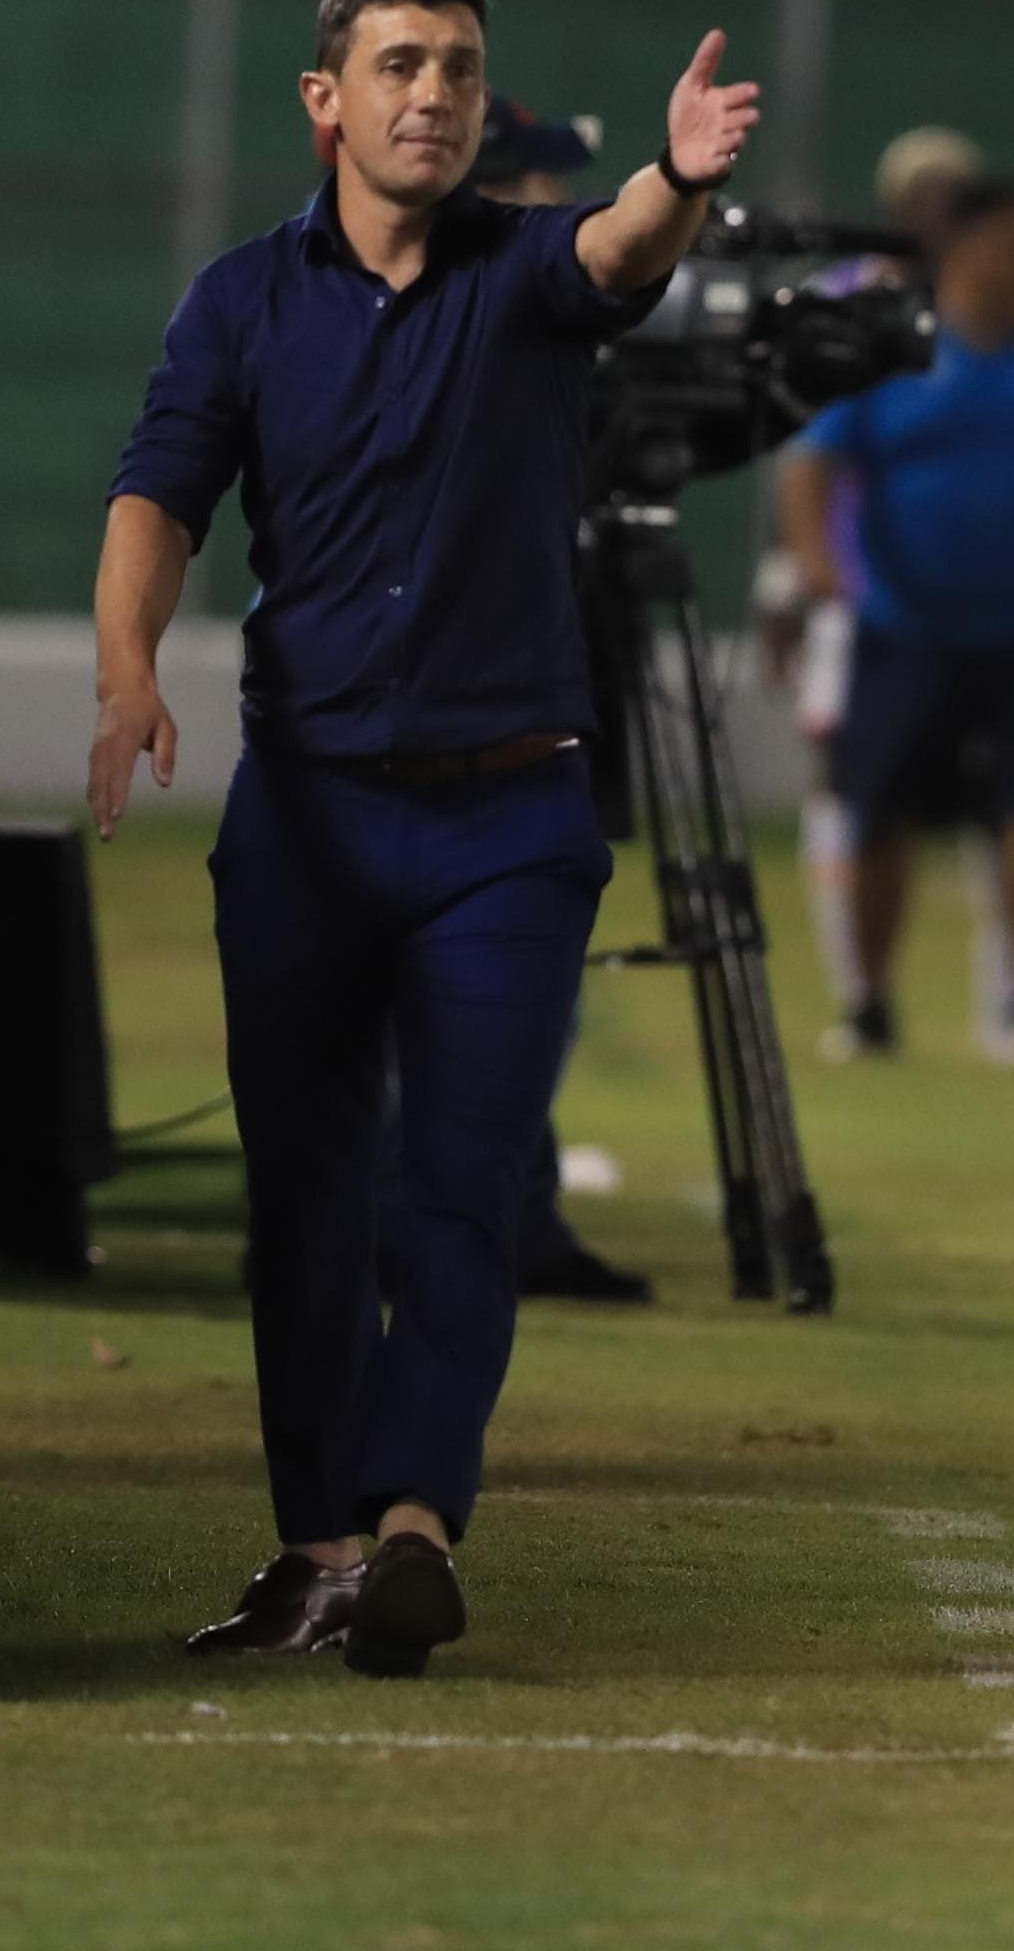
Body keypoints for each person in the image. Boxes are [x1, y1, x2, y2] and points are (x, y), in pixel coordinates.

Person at [90, 0, 758, 1677]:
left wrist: (675, 177)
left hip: (506, 827)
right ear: (325, 102)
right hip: (305, 822)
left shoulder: (527, 268)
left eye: (461, 66)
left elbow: (617, 250)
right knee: (304, 1191)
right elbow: (160, 490)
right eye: (401, 65)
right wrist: (123, 668)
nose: (436, 96)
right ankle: (315, 1547)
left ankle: (411, 1530)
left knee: (455, 1190)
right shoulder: (239, 300)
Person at [778, 176, 1014, 1068]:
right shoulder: (891, 342)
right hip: (906, 622)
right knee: (881, 812)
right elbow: (810, 463)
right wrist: (822, 574)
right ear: (958, 256)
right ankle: (868, 1001)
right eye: (1008, 247)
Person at [457, 92, 651, 1307]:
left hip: (518, 705)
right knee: (497, 978)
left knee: (520, 978)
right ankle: (475, 1215)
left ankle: (510, 1210)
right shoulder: (478, 331)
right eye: (538, 183)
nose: (558, 207)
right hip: (476, 716)